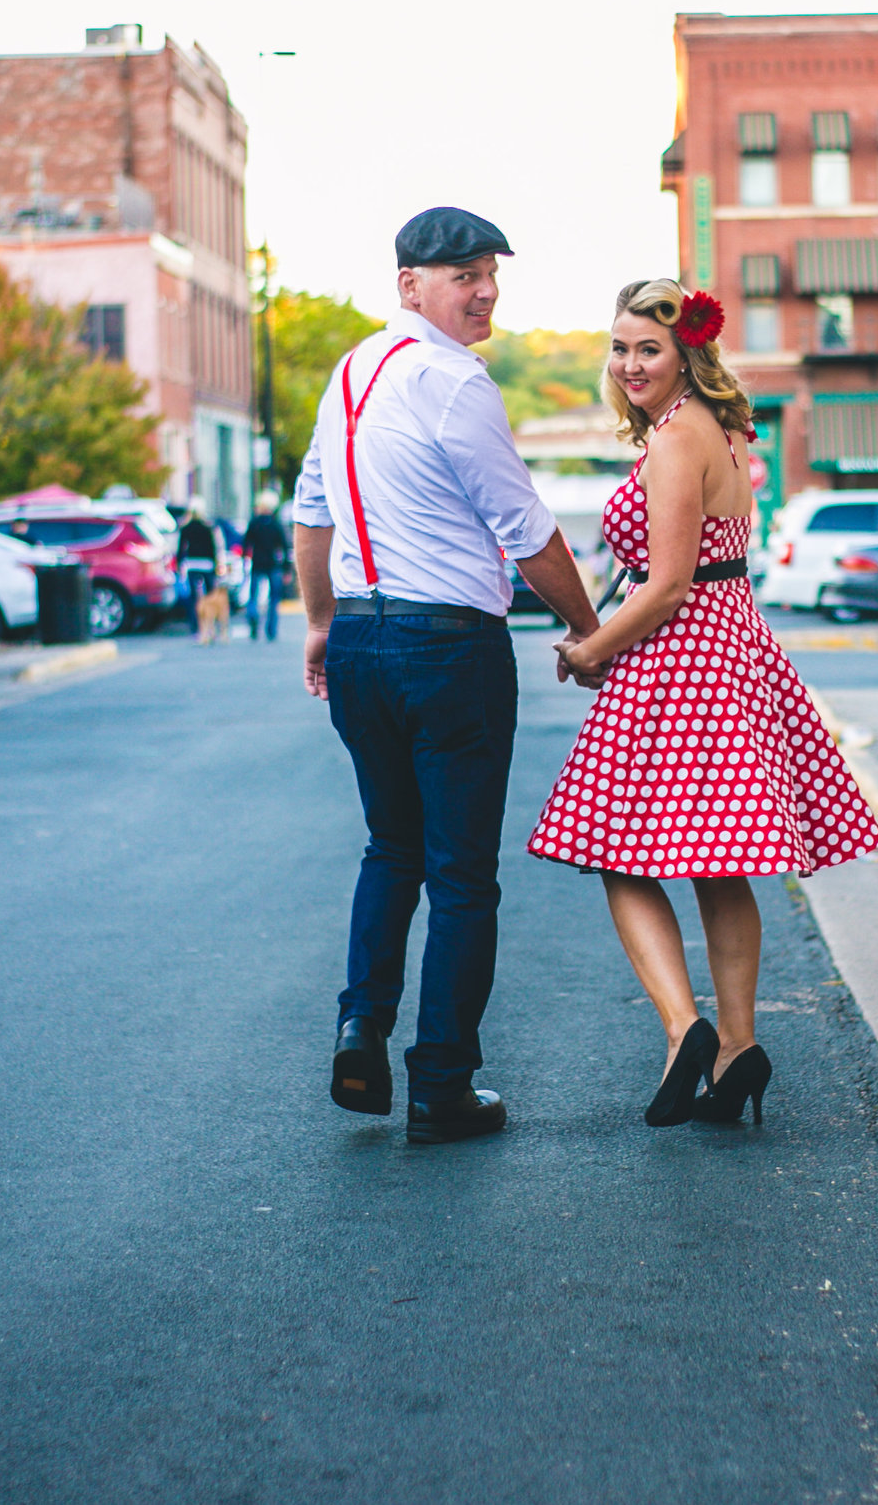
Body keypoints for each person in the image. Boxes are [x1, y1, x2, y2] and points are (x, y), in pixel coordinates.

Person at [529, 279, 878, 1128]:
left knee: (618, 853)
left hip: (682, 657)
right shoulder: (721, 432)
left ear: (686, 350)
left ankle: (684, 1027)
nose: (629, 364)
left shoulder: (673, 442)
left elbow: (667, 587)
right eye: (618, 348)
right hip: (735, 648)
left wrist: (589, 649)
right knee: (720, 865)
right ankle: (736, 1048)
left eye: (647, 348)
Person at [295, 207, 603, 1145]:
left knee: (393, 848)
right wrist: (590, 630)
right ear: (410, 285)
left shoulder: (349, 373)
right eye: (464, 274)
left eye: (491, 274)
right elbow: (526, 529)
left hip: (360, 643)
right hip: (448, 649)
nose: (485, 291)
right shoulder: (454, 382)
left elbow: (311, 515)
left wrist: (319, 626)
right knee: (461, 872)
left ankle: (362, 1026)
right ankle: (442, 1086)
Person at [242, 491, 289, 641]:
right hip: (273, 564)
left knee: (253, 596)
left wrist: (245, 559)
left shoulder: (254, 523)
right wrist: (286, 568)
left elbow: (246, 543)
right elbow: (284, 547)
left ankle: (253, 621)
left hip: (257, 563)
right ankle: (271, 629)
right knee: (274, 598)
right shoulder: (275, 525)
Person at [176, 505, 224, 641]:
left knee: (193, 598)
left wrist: (180, 564)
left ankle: (196, 626)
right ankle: (212, 625)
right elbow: (212, 548)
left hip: (192, 565)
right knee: (210, 596)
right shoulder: (208, 528)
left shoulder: (185, 528)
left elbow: (182, 548)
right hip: (207, 565)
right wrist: (215, 565)